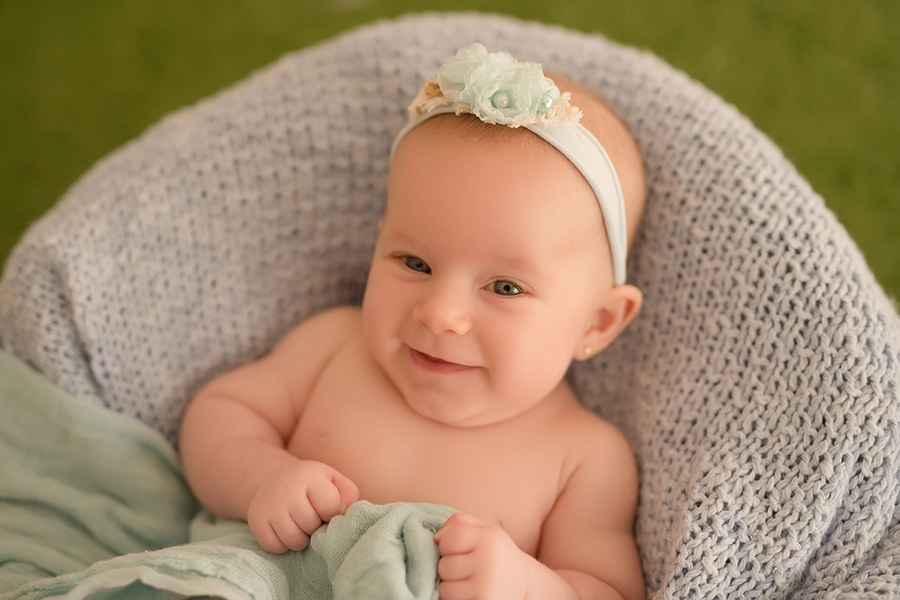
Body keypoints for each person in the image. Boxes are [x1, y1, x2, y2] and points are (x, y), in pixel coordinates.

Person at [179, 43, 647, 600]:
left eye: (504, 287)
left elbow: (609, 591)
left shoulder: (584, 458)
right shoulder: (336, 345)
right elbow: (219, 413)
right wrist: (261, 478)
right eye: (415, 262)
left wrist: (526, 587)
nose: (440, 314)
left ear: (597, 321)